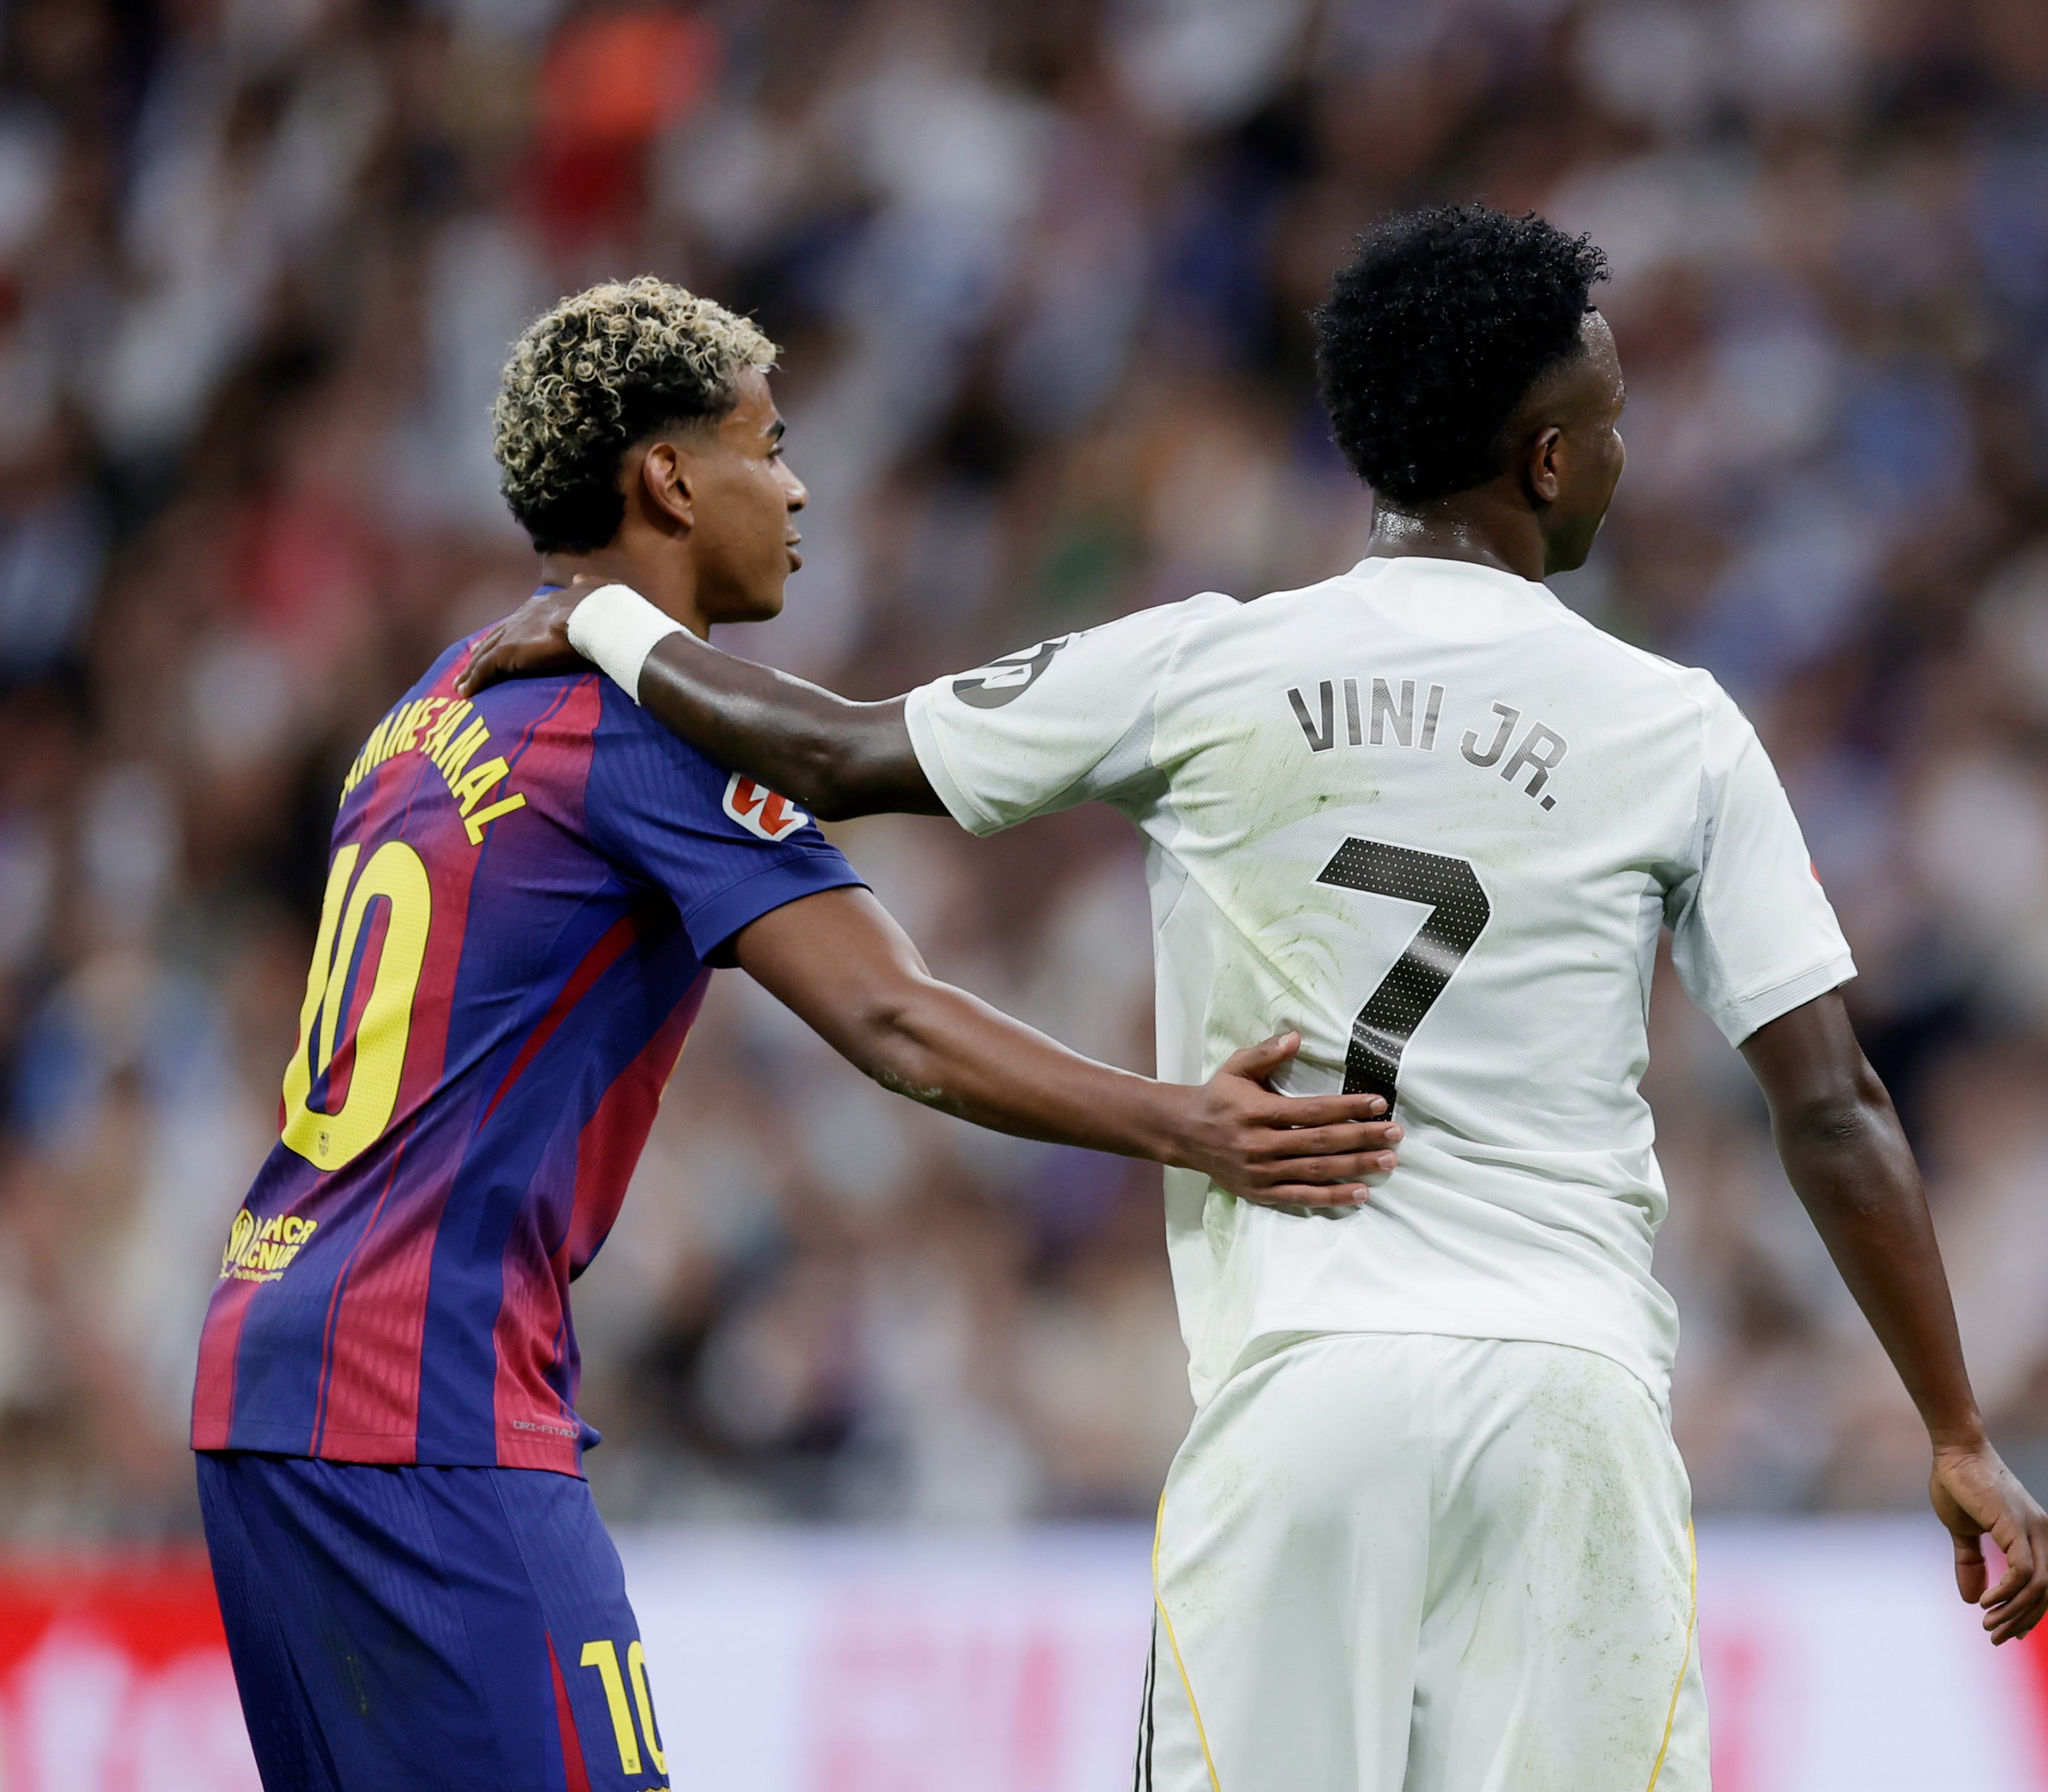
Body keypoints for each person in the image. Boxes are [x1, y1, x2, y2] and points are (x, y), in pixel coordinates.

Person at [466, 210, 2048, 1791]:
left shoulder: (1208, 665)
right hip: (1568, 1408)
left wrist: (603, 614)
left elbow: (835, 752)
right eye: (1610, 421)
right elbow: (1832, 1105)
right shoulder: (1675, 729)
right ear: (1549, 464)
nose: (1622, 451)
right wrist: (1953, 1428)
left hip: (1305, 1401)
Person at [190, 276, 1400, 1792]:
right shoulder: (640, 728)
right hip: (417, 1399)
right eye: (768, 445)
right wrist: (1186, 1122)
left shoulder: (433, 702)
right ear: (670, 479)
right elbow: (893, 1016)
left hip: (262, 1368)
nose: (799, 483)